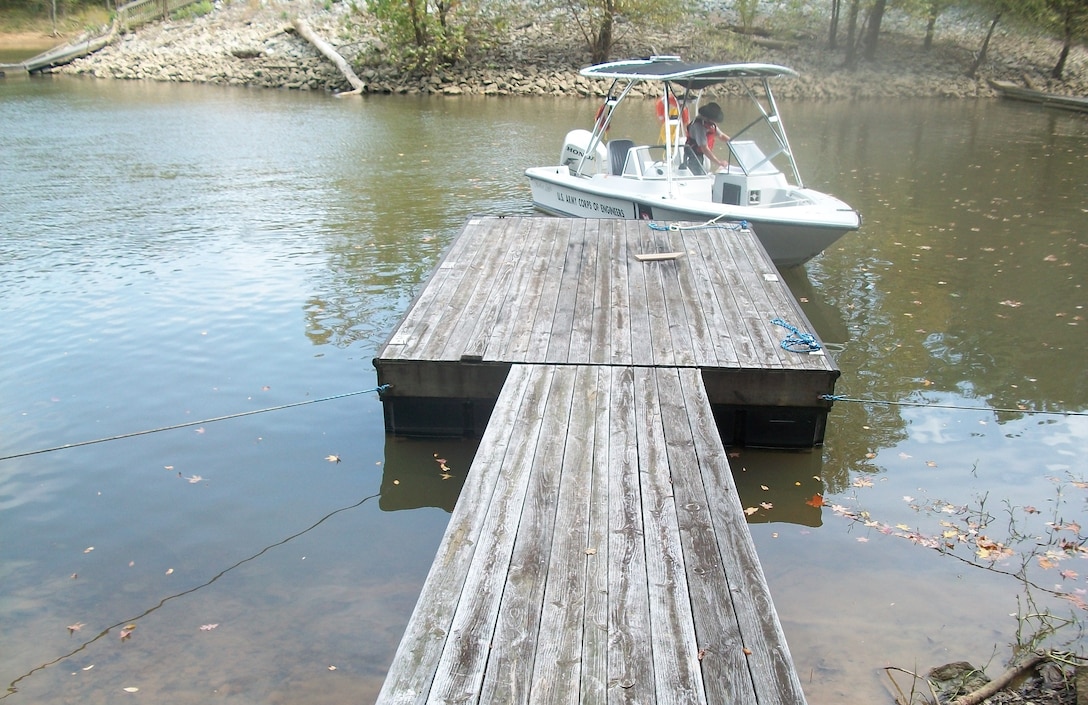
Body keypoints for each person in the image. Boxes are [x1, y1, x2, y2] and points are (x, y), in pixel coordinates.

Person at [684, 102, 730, 173]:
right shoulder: (698, 126)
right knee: (698, 175)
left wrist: (733, 142)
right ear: (708, 117)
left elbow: (721, 135)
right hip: (694, 155)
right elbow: (704, 148)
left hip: (703, 154)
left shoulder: (710, 124)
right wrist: (719, 162)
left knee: (706, 171)